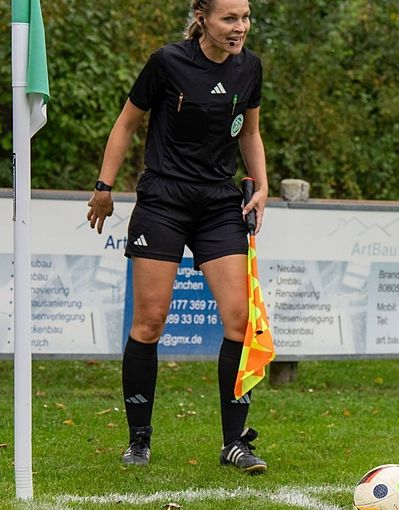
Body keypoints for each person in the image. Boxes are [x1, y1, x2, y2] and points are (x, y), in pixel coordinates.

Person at [85, 0, 270, 474]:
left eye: (245, 18)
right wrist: (104, 188)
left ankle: (235, 443)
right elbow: (127, 123)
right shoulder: (167, 61)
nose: (239, 28)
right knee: (150, 322)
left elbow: (249, 131)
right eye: (230, 18)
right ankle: (139, 440)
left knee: (239, 321)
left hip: (218, 204)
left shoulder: (250, 67)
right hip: (163, 202)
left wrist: (261, 184)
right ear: (203, 18)